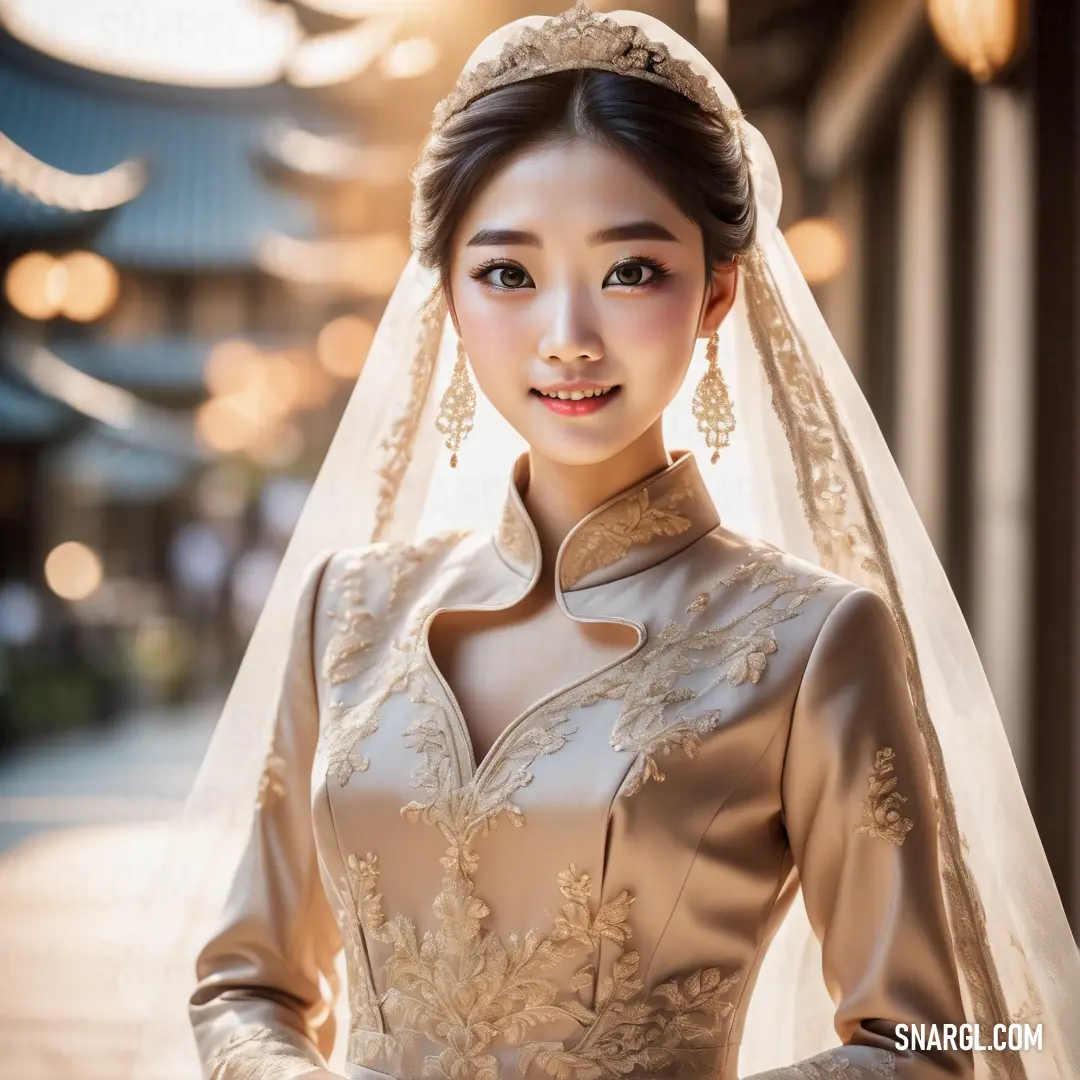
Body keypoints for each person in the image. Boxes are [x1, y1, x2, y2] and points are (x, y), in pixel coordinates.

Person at [137, 6, 1080, 1080]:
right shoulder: (346, 613)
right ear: (445, 294)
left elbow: (937, 1045)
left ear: (717, 290)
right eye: (508, 274)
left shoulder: (813, 642)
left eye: (631, 270)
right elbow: (245, 986)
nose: (567, 336)